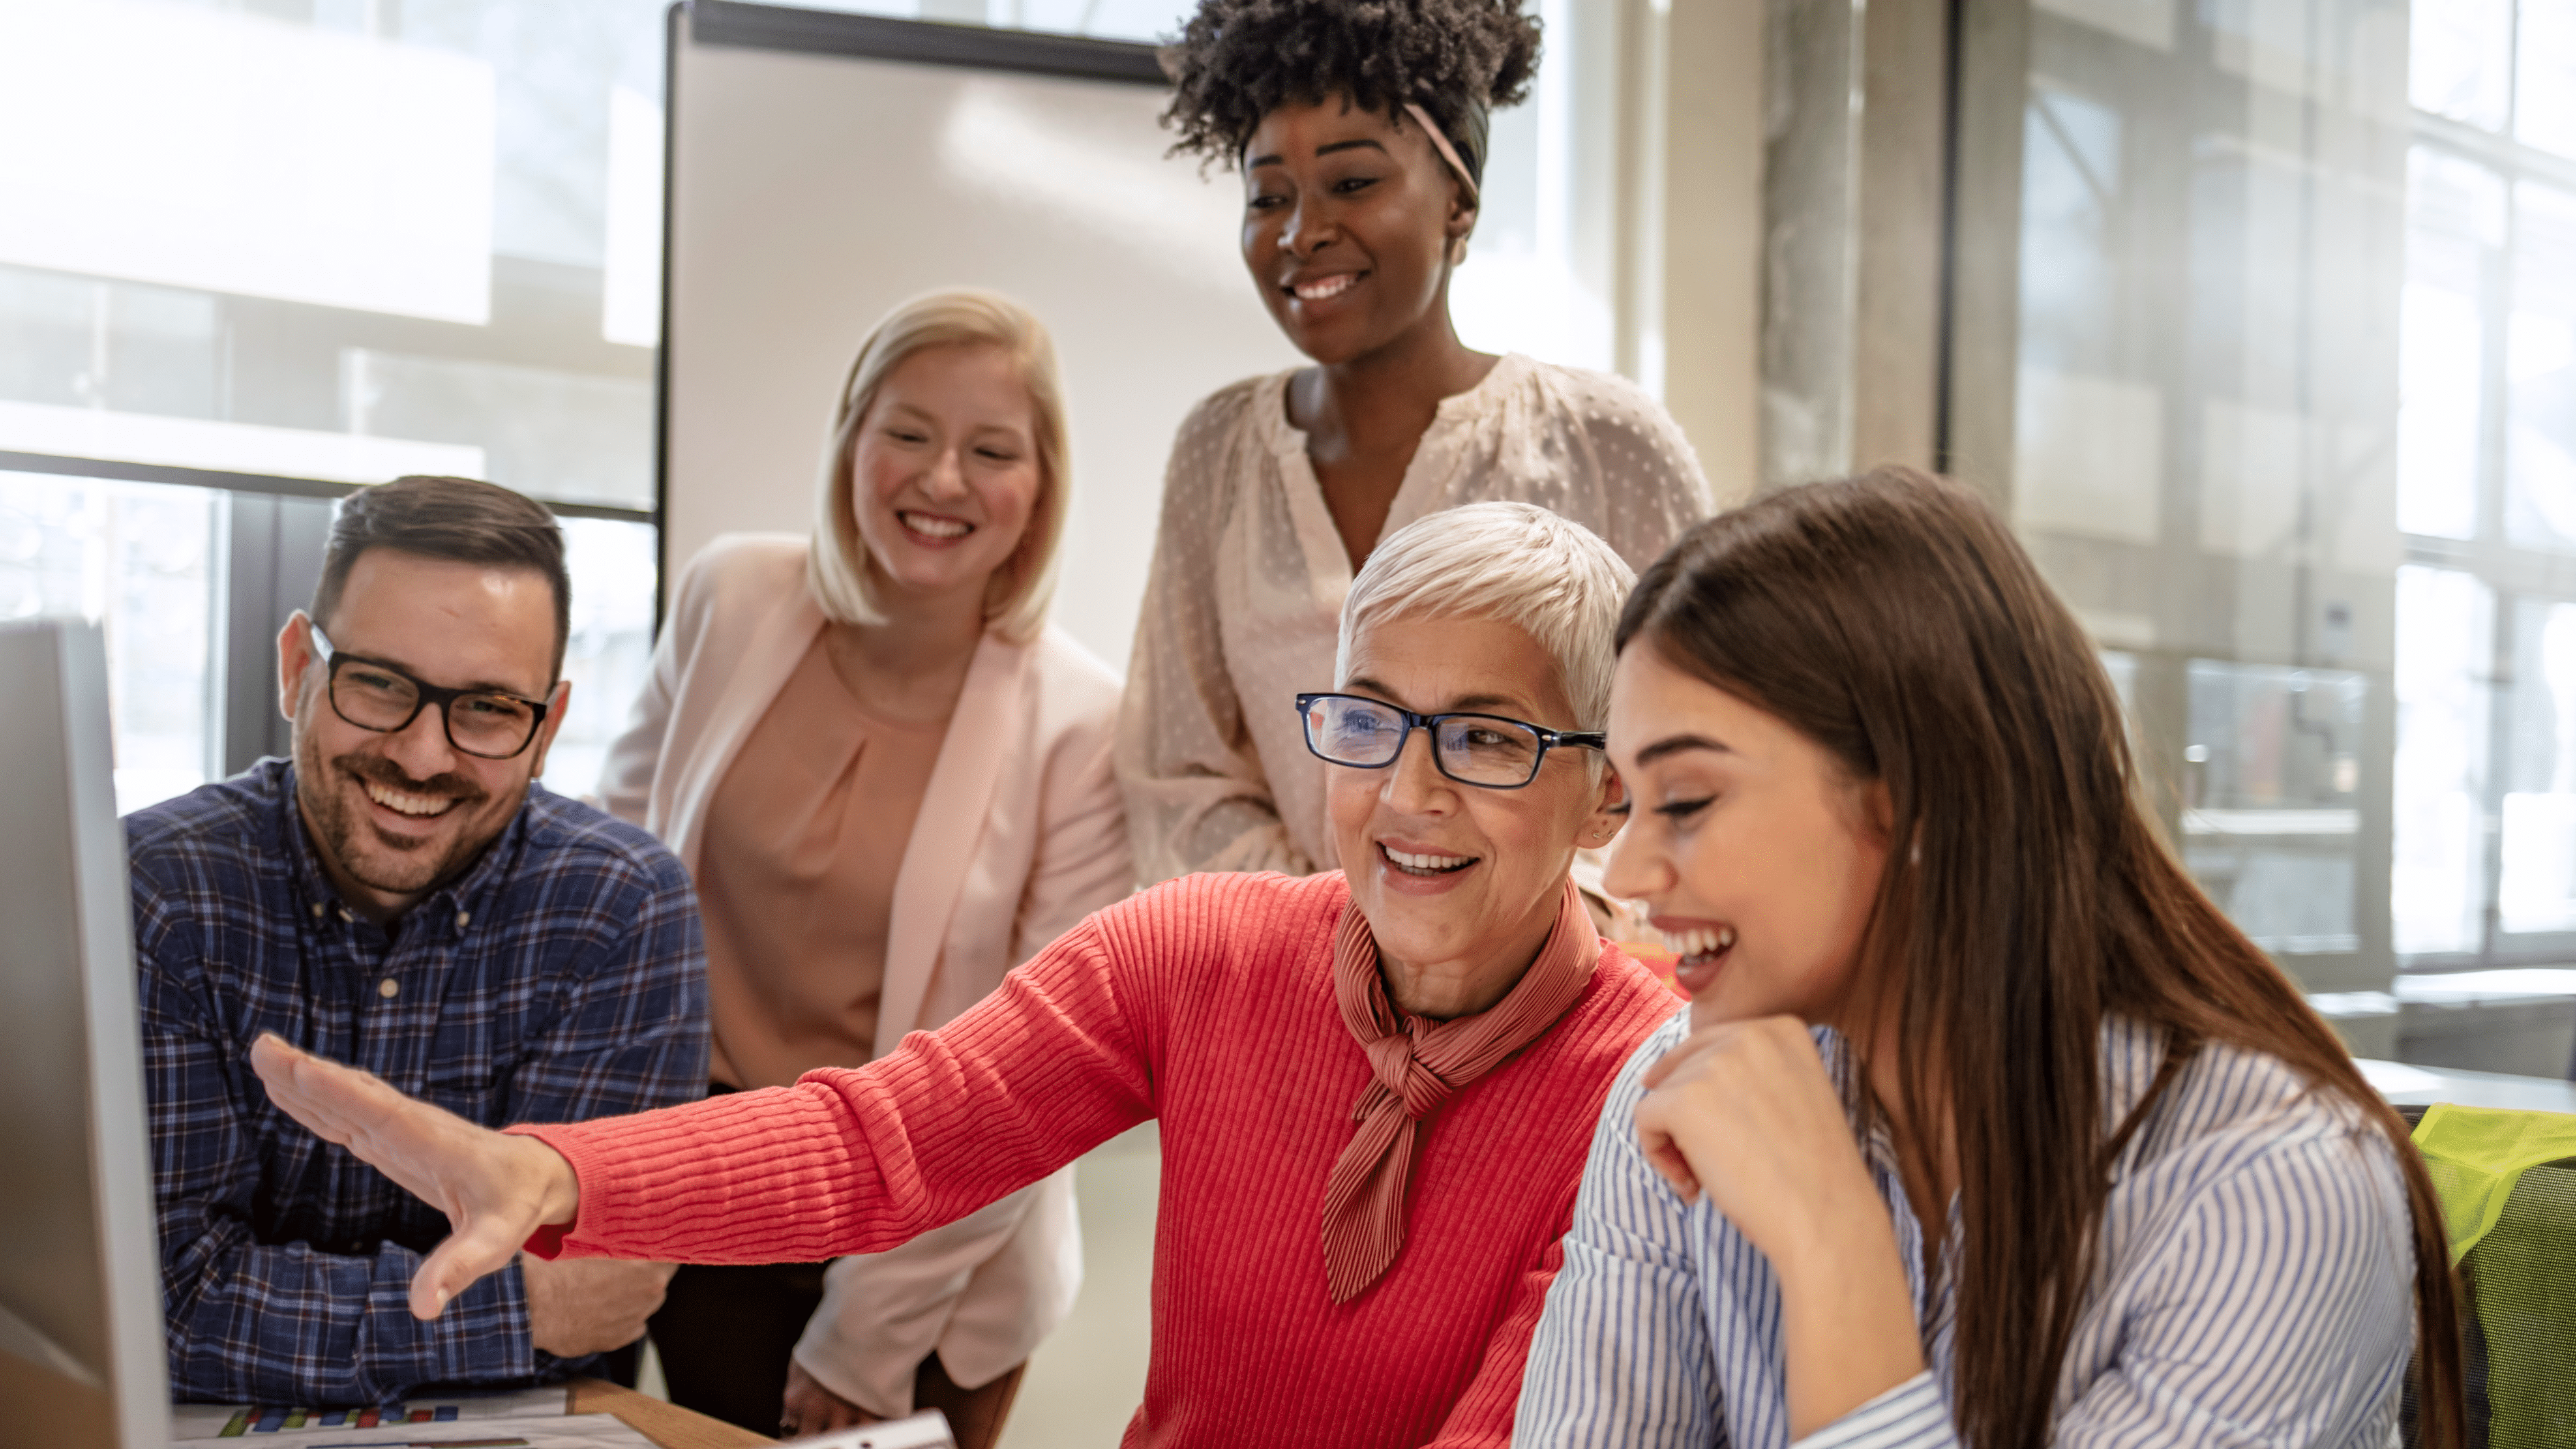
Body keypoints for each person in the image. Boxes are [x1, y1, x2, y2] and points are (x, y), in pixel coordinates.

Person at [250, 502, 1687, 1449]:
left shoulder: (1654, 1092)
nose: (1409, 793)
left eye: (1486, 741)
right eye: (1366, 722)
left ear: (1607, 795)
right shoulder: (1206, 950)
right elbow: (882, 1140)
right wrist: (555, 1180)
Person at [1514, 468, 2464, 1448]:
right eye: (1627, 797)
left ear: (1919, 798)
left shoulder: (2267, 1189)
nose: (1622, 872)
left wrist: (1830, 1245)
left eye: (1686, 801)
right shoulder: (1685, 1090)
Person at [602, 290, 1130, 1444]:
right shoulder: (731, 593)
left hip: (937, 1251)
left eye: (991, 451)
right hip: (710, 1183)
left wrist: (867, 1334)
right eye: (908, 432)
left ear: (1039, 489)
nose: (941, 480)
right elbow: (613, 874)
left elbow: (1037, 1075)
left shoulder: (1084, 726)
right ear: (852, 436)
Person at [127, 475, 708, 1407]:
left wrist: (542, 1313)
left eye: (485, 708)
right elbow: (158, 1302)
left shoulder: (620, 909)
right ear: (296, 669)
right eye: (378, 684)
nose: (422, 755)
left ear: (547, 727)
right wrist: (513, 1311)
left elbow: (598, 1305)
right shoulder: (156, 893)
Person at [1118, 0, 1722, 886]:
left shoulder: (1604, 444)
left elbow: (1684, 750)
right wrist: (1344, 945)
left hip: (1561, 993)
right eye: (1268, 196)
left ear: (1459, 203)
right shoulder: (1220, 451)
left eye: (1352, 183)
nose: (1300, 231)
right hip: (1286, 983)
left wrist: (1506, 951)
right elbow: (1179, 770)